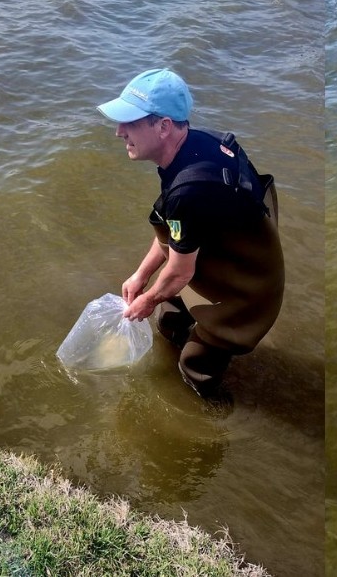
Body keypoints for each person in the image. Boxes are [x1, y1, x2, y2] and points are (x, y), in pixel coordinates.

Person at [97, 68, 285, 397]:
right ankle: (177, 334)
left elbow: (181, 269)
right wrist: (141, 275)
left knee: (194, 366)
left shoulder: (189, 189)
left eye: (130, 122)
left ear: (164, 126)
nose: (118, 132)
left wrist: (146, 300)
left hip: (247, 285)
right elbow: (176, 232)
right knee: (167, 317)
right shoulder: (200, 143)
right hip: (219, 249)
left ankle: (212, 418)